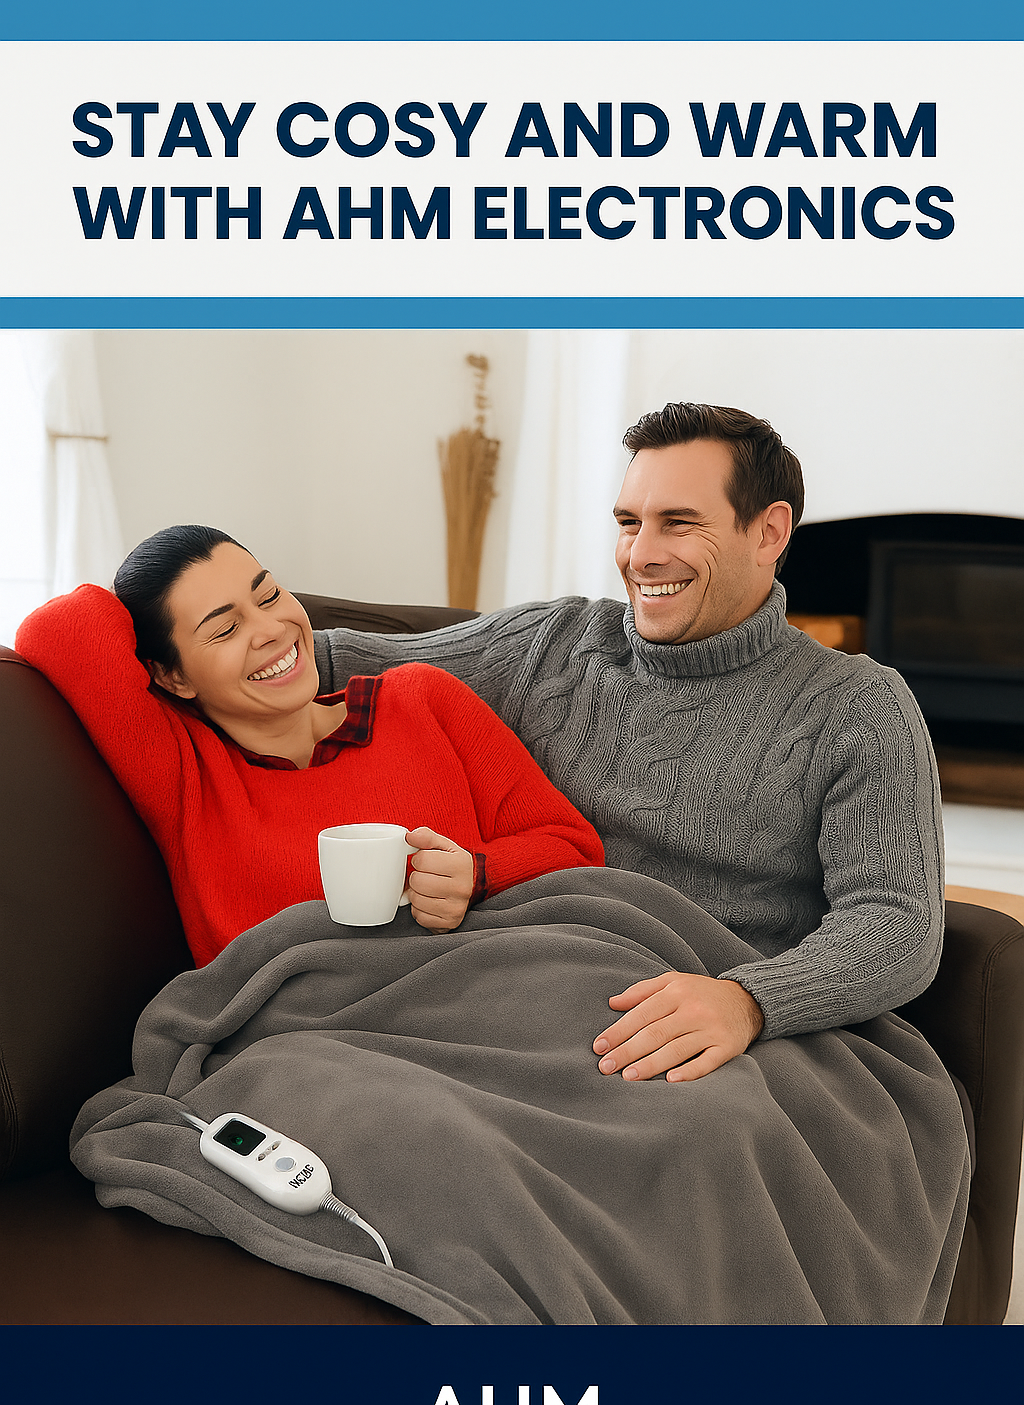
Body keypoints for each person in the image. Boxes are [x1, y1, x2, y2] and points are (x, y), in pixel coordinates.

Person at [314, 401, 946, 1082]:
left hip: (698, 1037)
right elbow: (337, 662)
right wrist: (238, 619)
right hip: (515, 998)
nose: (640, 555)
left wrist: (748, 1002)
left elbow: (898, 924)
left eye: (679, 523)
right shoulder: (553, 644)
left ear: (768, 533)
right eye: (628, 523)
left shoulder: (857, 706)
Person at [15, 526, 604, 968]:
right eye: (225, 629)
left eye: (269, 595)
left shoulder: (422, 699)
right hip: (312, 1045)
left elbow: (574, 846)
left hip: (478, 989)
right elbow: (56, 630)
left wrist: (477, 873)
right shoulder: (183, 771)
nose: (271, 630)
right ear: (172, 677)